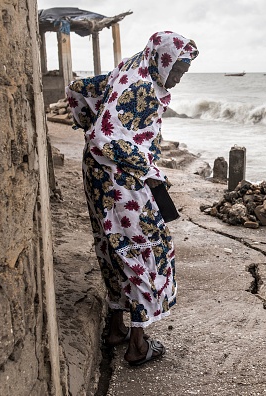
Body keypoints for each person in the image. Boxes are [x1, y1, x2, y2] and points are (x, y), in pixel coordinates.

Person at [66, 31, 199, 366]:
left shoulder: (133, 68)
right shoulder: (139, 86)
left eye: (183, 71)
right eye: (179, 70)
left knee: (114, 248)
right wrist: (148, 167)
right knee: (148, 250)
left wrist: (84, 119)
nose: (180, 79)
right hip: (120, 180)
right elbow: (101, 137)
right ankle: (138, 346)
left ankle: (115, 329)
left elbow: (80, 89)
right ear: (164, 59)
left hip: (100, 177)